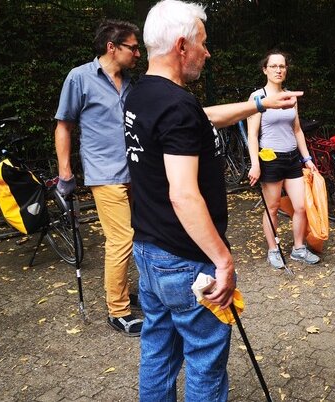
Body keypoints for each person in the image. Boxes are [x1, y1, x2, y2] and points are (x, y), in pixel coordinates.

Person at [123, 0, 302, 399]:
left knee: (157, 352)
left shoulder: (142, 96)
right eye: (203, 43)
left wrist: (260, 103)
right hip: (186, 261)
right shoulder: (177, 106)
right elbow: (184, 194)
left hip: (148, 252)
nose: (207, 52)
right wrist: (223, 259)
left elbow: (201, 116)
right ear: (182, 46)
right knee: (204, 359)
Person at [54, 19, 143, 336]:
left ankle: (128, 293)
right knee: (121, 239)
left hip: (135, 171)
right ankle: (117, 311)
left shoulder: (132, 83)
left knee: (140, 234)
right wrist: (65, 172)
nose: (138, 53)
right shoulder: (79, 78)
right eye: (133, 47)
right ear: (112, 47)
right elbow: (64, 125)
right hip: (104, 173)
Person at [247, 50, 320, 269]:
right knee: (272, 207)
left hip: (292, 159)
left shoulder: (290, 96)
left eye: (282, 66)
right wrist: (255, 164)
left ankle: (298, 249)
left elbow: (297, 130)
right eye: (274, 66)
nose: (278, 70)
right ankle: (273, 250)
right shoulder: (257, 97)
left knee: (300, 206)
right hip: (270, 159)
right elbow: (252, 134)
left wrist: (306, 158)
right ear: (265, 70)